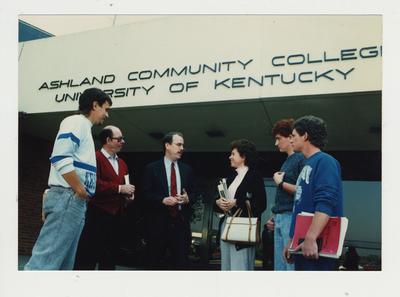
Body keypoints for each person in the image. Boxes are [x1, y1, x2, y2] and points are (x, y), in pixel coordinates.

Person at [24, 88, 112, 270]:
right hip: (68, 197)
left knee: (63, 266)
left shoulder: (83, 127)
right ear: (94, 105)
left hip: (74, 201)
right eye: (106, 108)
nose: (107, 115)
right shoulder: (76, 122)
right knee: (43, 265)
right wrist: (79, 189)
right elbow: (60, 157)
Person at [283, 115, 344, 271]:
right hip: (302, 245)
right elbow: (299, 206)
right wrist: (292, 241)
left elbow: (326, 202)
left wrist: (311, 237)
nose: (290, 140)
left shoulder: (325, 161)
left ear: (305, 136)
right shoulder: (306, 164)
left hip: (316, 247)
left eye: (294, 136)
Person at [74, 125, 135, 270]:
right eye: (119, 139)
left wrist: (127, 196)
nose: (123, 142)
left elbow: (124, 185)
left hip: (116, 217)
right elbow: (92, 183)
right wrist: (120, 189)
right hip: (96, 215)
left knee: (109, 257)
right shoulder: (94, 158)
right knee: (88, 255)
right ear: (108, 140)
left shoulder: (122, 163)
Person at [143, 132, 195, 270]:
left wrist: (188, 198)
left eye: (183, 145)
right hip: (157, 225)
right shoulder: (152, 168)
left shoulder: (187, 170)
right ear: (167, 145)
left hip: (180, 225)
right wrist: (162, 200)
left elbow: (195, 193)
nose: (182, 148)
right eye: (178, 144)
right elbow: (145, 195)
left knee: (180, 265)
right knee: (153, 264)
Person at [216, 139, 266, 270]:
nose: (230, 157)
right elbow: (221, 198)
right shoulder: (231, 177)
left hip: (243, 228)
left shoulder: (255, 176)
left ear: (243, 156)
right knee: (226, 267)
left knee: (240, 267)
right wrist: (218, 202)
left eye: (233, 154)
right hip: (227, 225)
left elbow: (261, 204)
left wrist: (237, 202)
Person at [265, 119, 304, 270]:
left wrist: (281, 183)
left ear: (290, 137)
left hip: (290, 218)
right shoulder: (288, 160)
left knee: (288, 267)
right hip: (282, 217)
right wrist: (275, 216)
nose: (276, 143)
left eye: (278, 138)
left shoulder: (300, 158)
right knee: (280, 267)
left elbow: (302, 191)